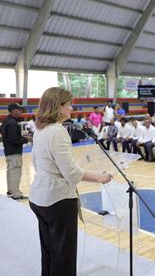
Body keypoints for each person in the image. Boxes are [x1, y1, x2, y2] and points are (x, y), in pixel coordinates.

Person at [29, 87, 112, 276]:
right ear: (59, 107)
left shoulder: (40, 129)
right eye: (69, 104)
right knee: (64, 256)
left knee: (49, 251)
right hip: (58, 201)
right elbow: (72, 173)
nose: (72, 108)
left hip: (39, 198)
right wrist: (99, 177)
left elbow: (36, 163)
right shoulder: (57, 132)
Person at [1, 103, 32, 200]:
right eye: (19, 109)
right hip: (14, 151)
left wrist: (23, 138)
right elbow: (14, 139)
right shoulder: (13, 123)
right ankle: (16, 194)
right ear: (14, 111)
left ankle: (10, 191)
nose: (21, 111)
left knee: (10, 171)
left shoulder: (6, 121)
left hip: (8, 150)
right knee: (15, 171)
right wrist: (27, 139)